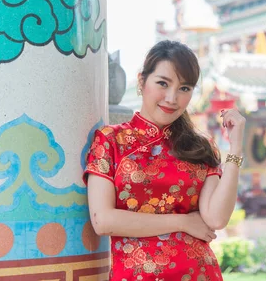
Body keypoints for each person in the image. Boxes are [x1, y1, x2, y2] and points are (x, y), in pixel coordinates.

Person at [83, 40, 246, 280]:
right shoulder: (111, 141)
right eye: (162, 83)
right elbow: (104, 221)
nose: (172, 98)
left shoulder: (199, 147)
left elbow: (216, 218)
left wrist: (235, 148)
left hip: (200, 273)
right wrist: (183, 222)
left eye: (184, 88)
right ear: (142, 81)